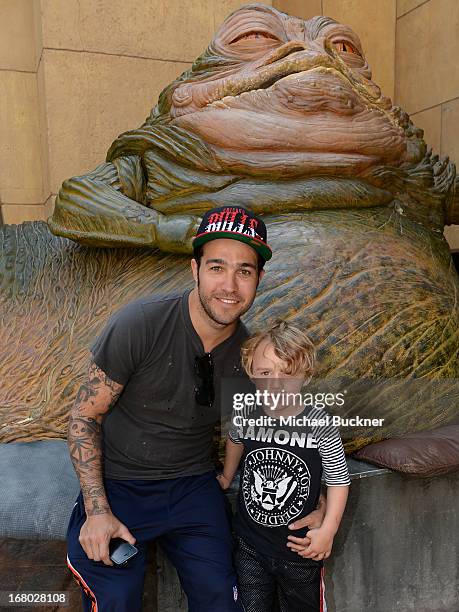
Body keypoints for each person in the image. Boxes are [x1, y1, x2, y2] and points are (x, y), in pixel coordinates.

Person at [65, 205, 324, 612]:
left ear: (259, 279)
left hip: (192, 486)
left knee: (222, 597)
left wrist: (321, 501)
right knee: (114, 599)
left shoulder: (251, 357)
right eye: (217, 267)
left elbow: (289, 427)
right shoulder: (140, 323)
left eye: (245, 271)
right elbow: (83, 415)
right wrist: (97, 510)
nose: (230, 285)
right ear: (195, 269)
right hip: (120, 483)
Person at [218, 321, 350, 612]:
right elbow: (235, 439)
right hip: (250, 544)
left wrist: (328, 530)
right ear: (252, 374)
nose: (275, 383)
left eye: (288, 373)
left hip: (299, 548)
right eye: (265, 373)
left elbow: (339, 480)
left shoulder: (320, 423)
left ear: (306, 376)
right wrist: (228, 475)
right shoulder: (246, 410)